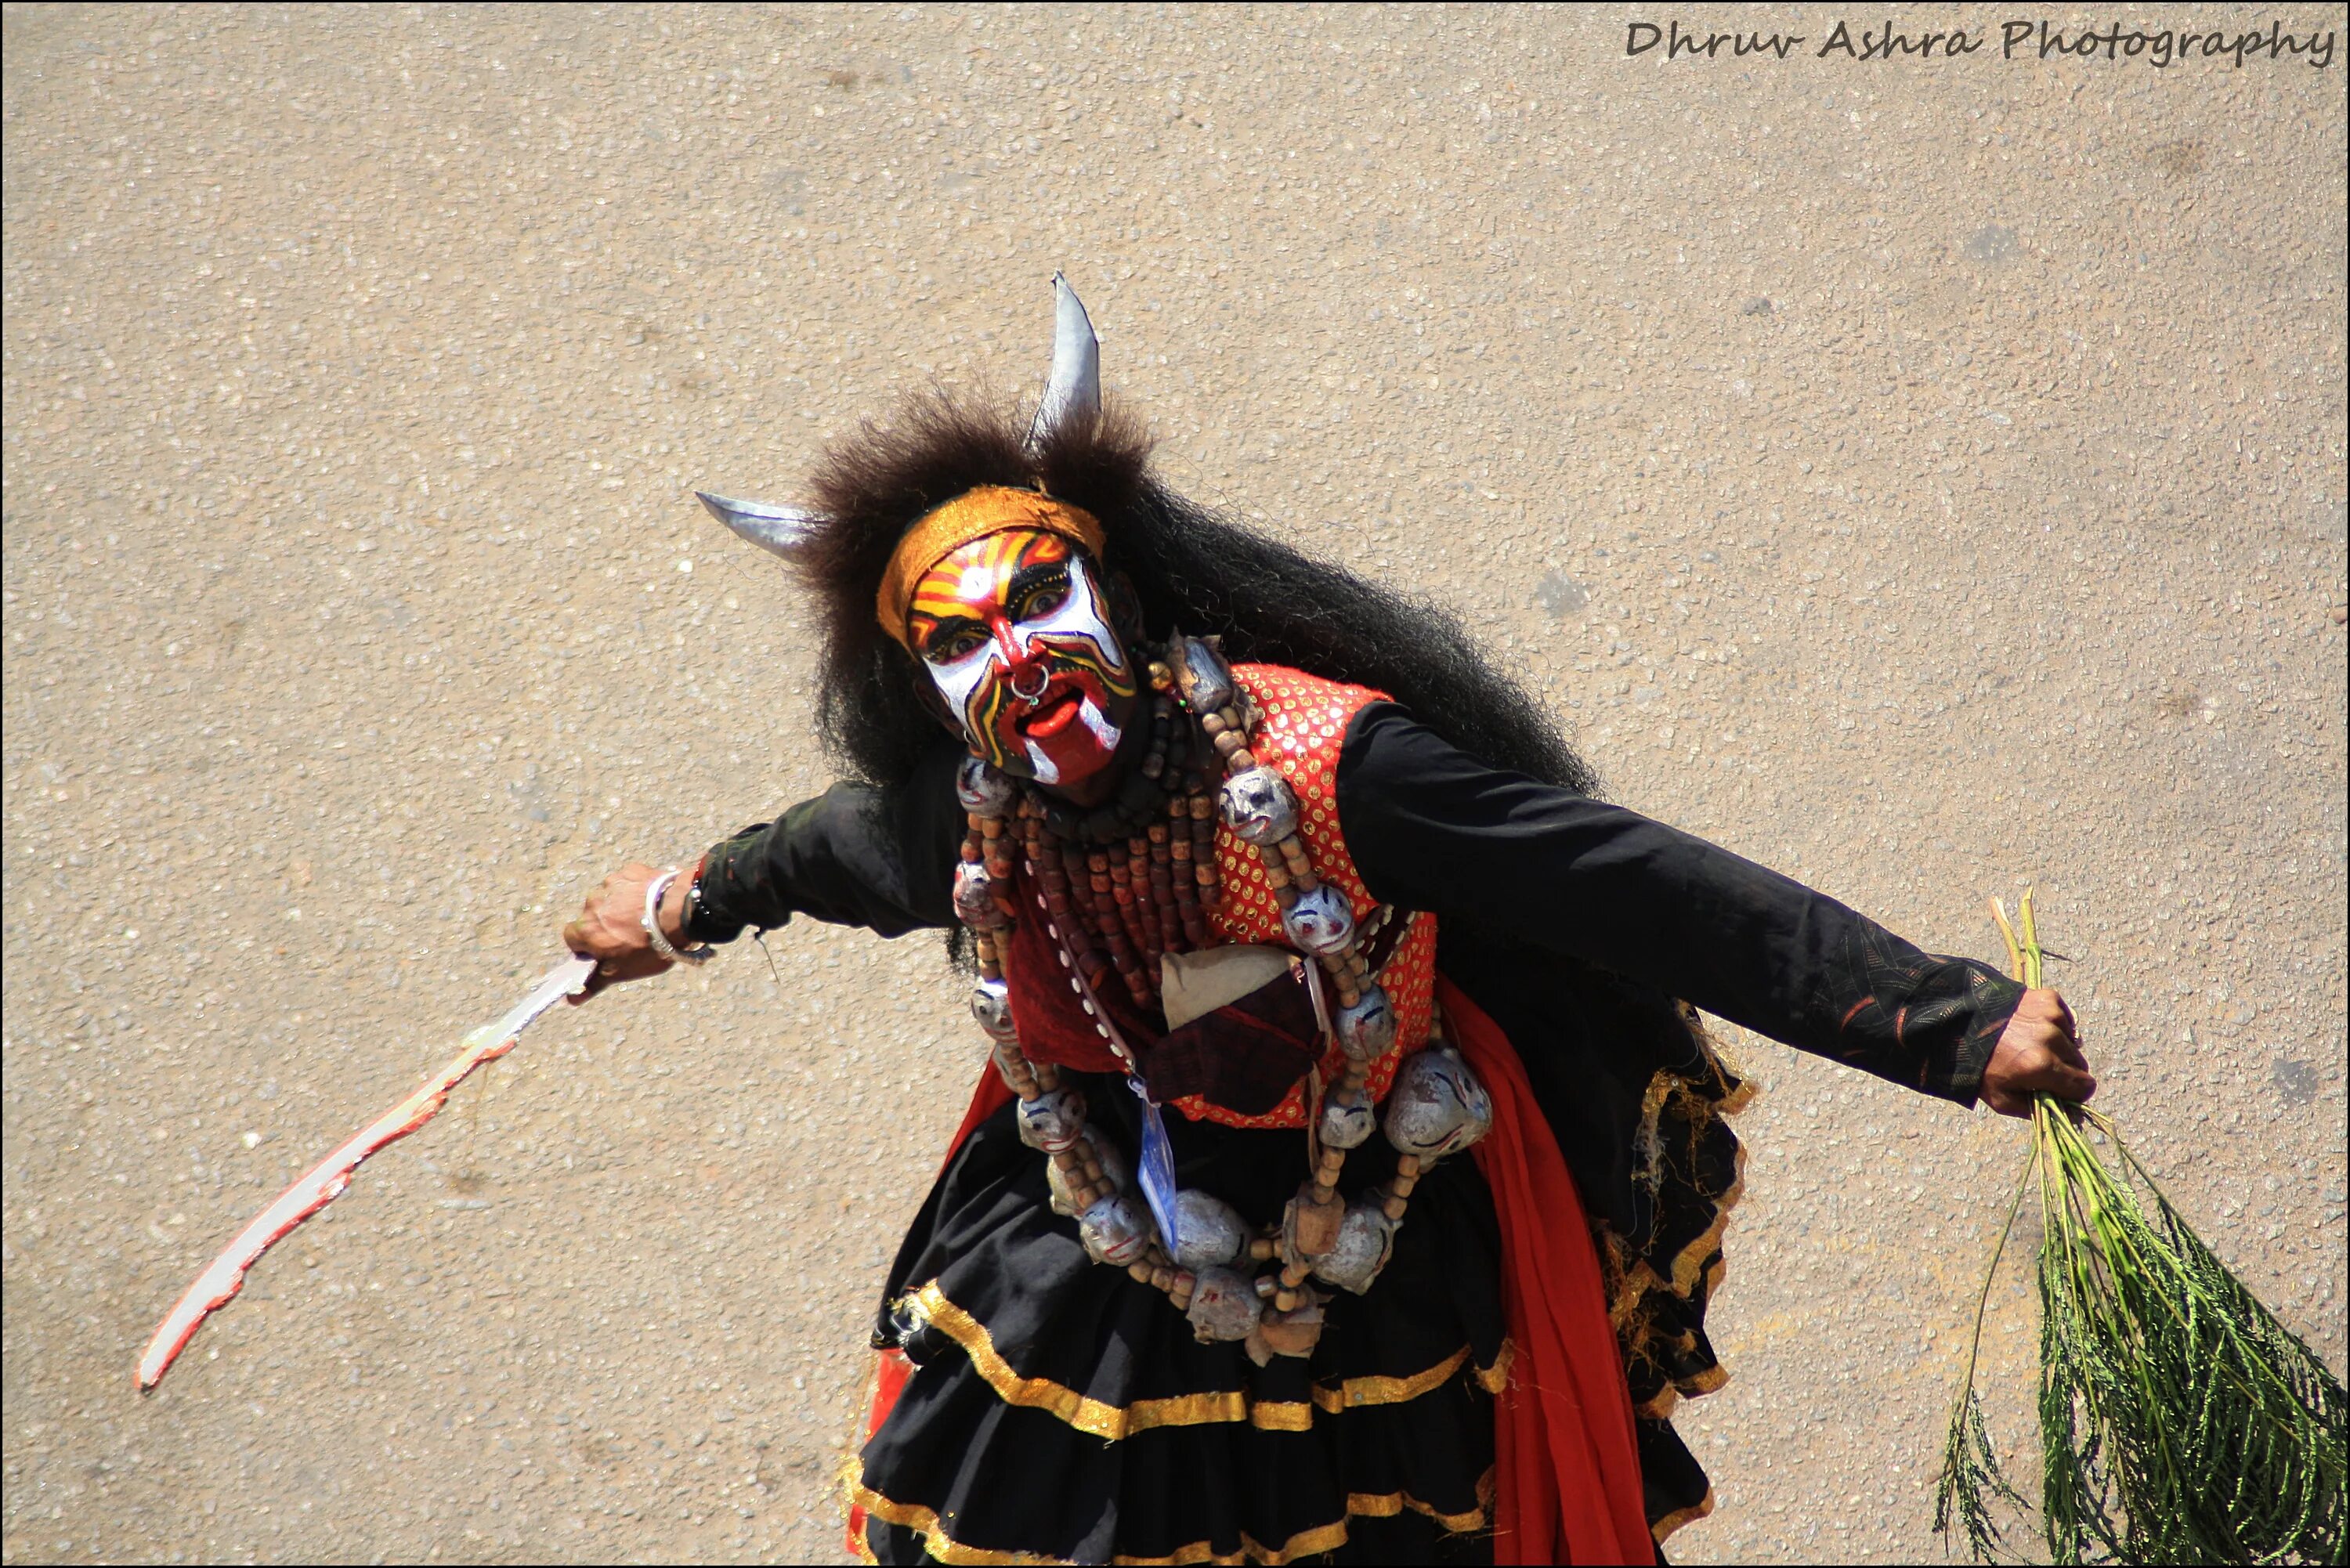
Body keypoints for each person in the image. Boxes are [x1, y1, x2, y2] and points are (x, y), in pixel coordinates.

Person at [559, 281, 2094, 1566]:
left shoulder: (1333, 771)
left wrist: (1949, 1020)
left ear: (1121, 587)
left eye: (1043, 599)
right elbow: (817, 855)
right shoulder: (969, 811)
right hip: (1099, 1221)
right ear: (929, 684)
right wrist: (673, 907)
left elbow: (1645, 888)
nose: (1019, 658)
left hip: (1380, 1217)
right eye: (961, 640)